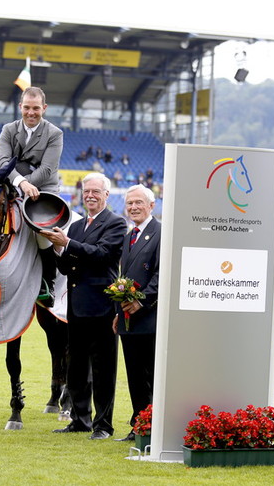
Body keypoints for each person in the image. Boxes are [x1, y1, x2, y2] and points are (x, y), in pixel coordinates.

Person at [41, 172, 127, 440]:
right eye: (86, 191)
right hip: (77, 307)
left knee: (103, 370)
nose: (90, 195)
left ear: (106, 195)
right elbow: (67, 267)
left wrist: (67, 244)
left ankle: (103, 425)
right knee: (76, 367)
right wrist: (57, 250)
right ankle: (80, 419)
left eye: (95, 192)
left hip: (102, 307)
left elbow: (102, 255)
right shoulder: (76, 226)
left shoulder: (116, 224)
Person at [0, 86, 63, 305]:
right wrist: (20, 183)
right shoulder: (8, 129)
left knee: (43, 233)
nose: (31, 113)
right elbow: (2, 162)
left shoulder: (54, 134)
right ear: (20, 107)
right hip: (13, 186)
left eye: (36, 108)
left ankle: (48, 282)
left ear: (44, 108)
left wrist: (25, 185)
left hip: (43, 191)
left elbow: (46, 170)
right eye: (27, 108)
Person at [112, 185, 160, 442]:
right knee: (134, 378)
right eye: (129, 203)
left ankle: (154, 428)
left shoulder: (160, 232)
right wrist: (120, 312)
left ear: (151, 205)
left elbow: (161, 275)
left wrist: (141, 302)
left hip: (150, 319)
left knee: (151, 377)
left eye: (138, 203)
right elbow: (124, 278)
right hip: (128, 322)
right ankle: (139, 426)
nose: (133, 207)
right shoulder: (130, 236)